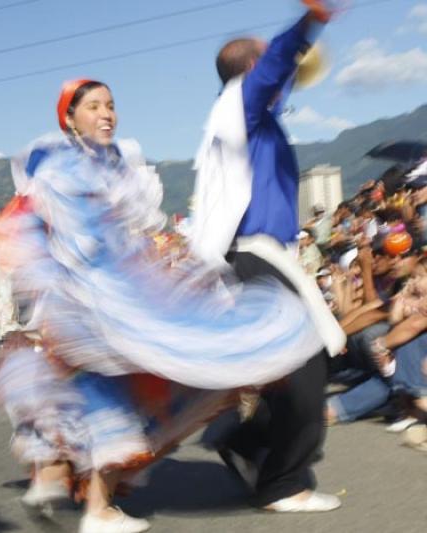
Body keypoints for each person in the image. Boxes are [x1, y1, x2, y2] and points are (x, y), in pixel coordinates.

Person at [0, 78, 328, 533]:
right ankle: (96, 508)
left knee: (95, 393)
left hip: (107, 298)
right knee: (132, 395)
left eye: (110, 104)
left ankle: (53, 477)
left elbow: (135, 234)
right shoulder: (62, 169)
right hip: (102, 302)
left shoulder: (114, 168)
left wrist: (172, 265)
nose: (106, 114)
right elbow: (36, 233)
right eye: (93, 107)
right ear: (69, 118)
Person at [189, 0, 346, 513]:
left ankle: (249, 443)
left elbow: (282, 72)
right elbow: (278, 61)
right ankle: (283, 483)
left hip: (261, 257)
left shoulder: (250, 116)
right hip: (256, 257)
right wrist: (311, 22)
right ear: (253, 69)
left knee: (290, 369)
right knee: (305, 369)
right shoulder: (244, 103)